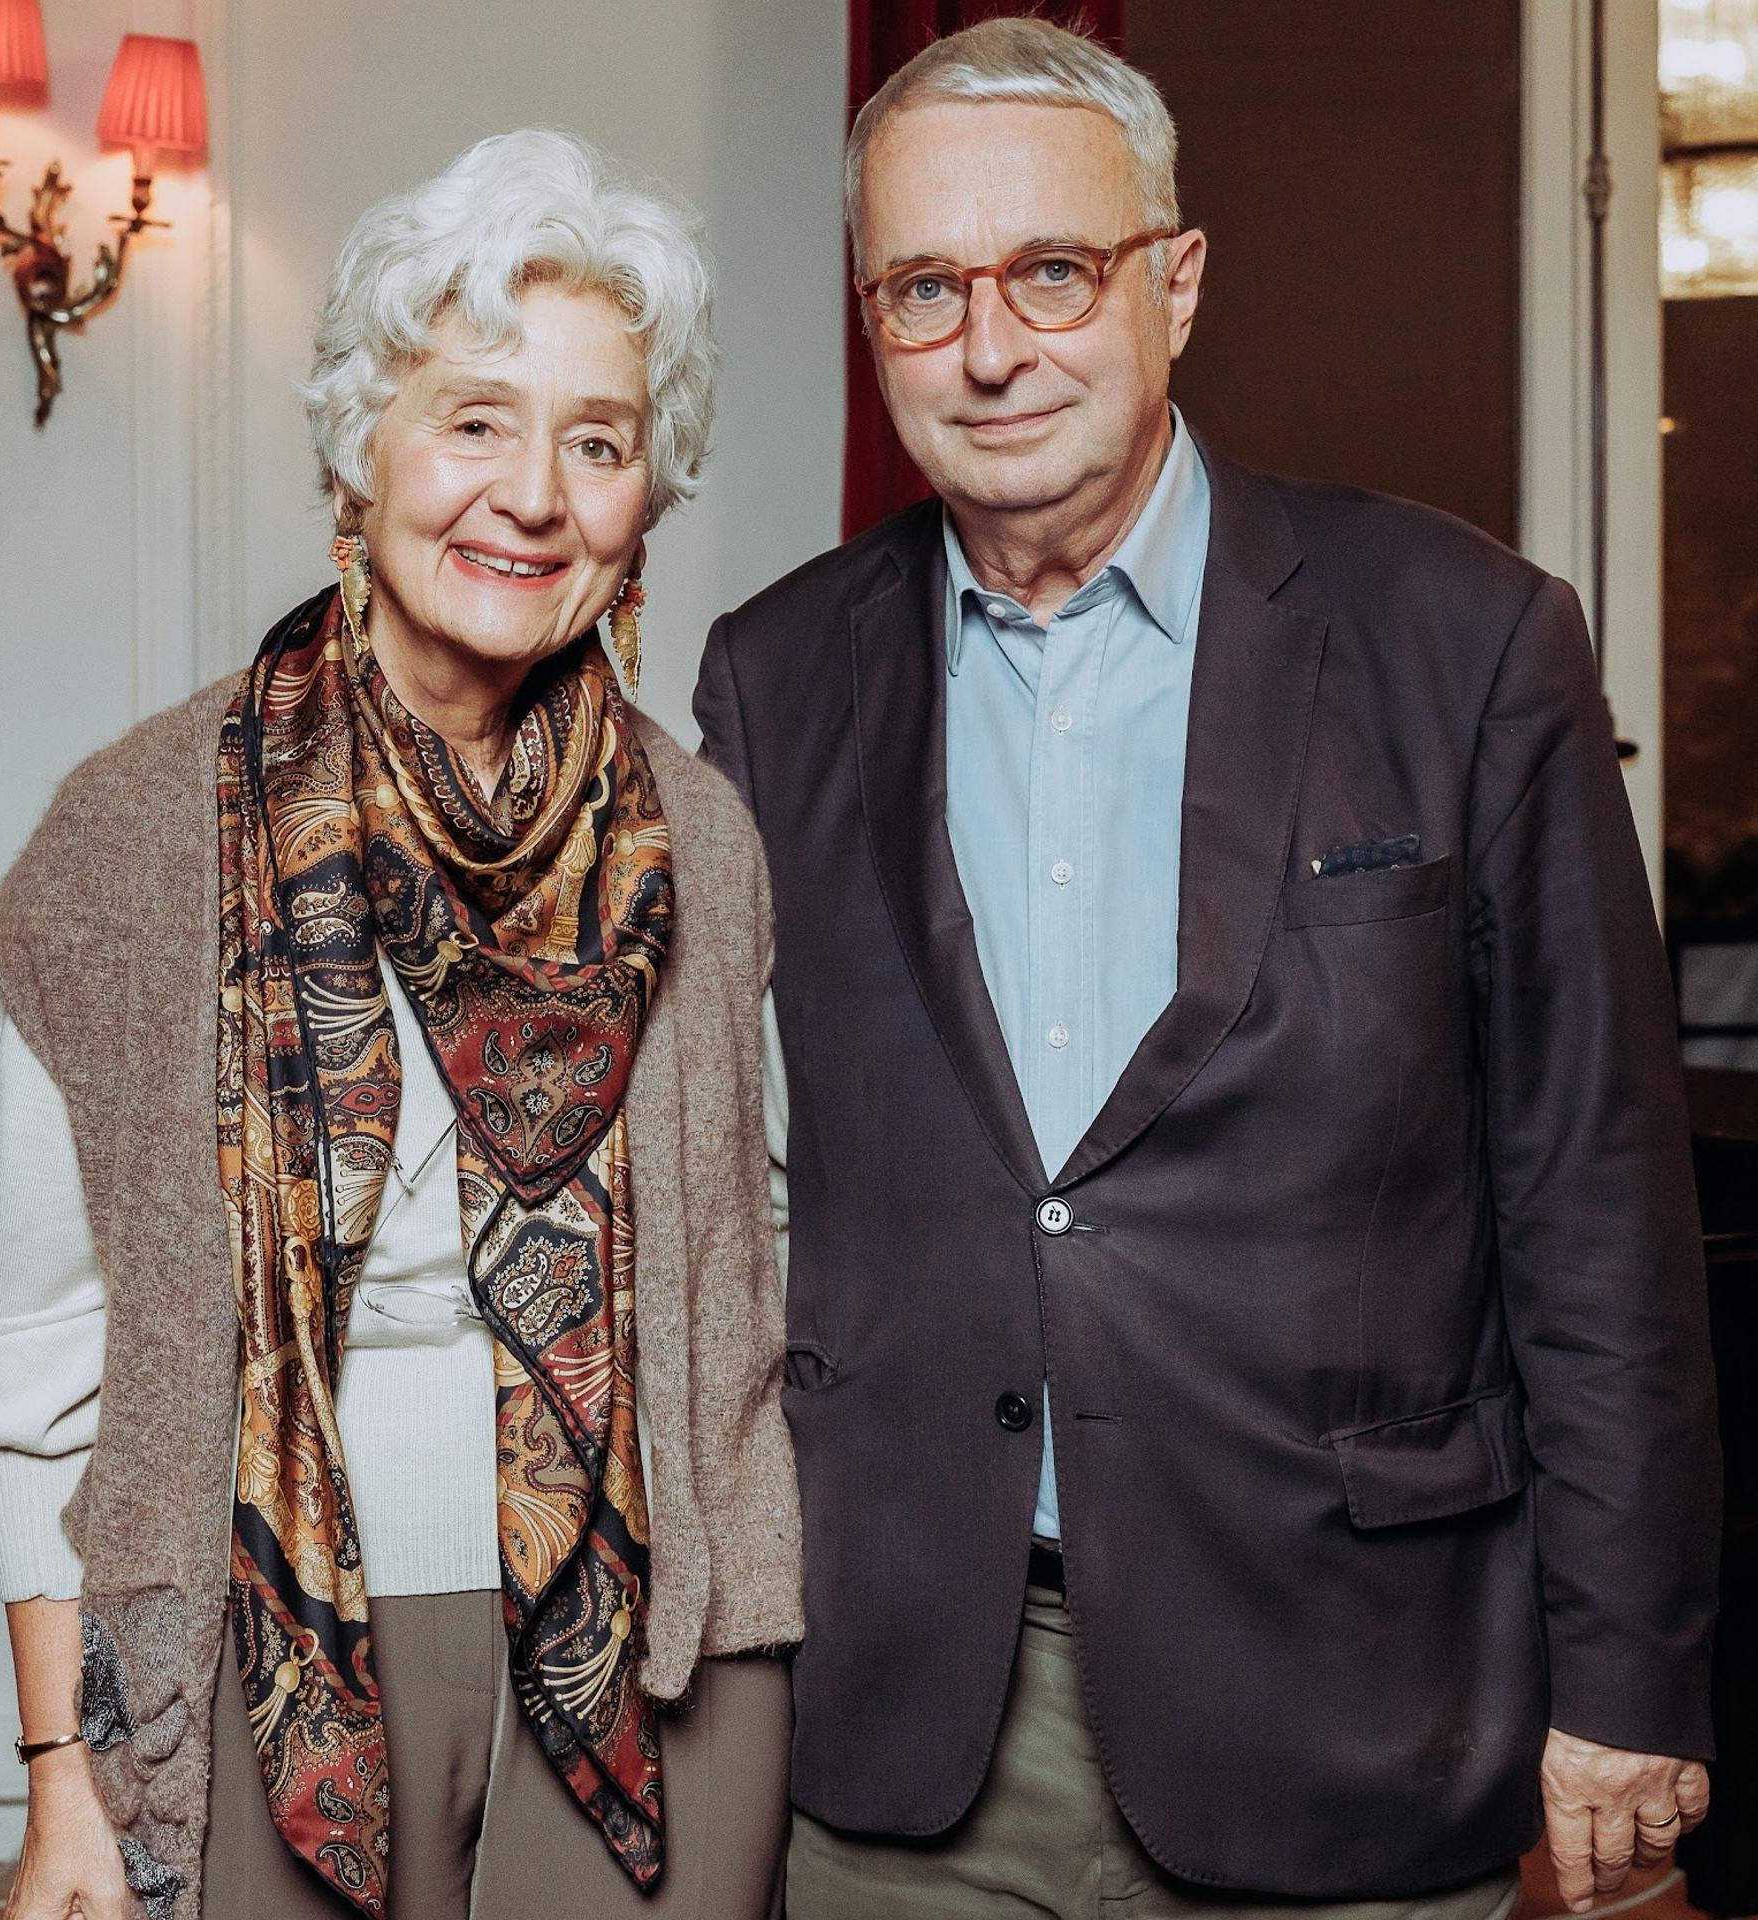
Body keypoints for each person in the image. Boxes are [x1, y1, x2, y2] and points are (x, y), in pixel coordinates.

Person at [695, 20, 1720, 1920]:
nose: (991, 348)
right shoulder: (772, 680)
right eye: (926, 289)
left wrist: (1633, 1679)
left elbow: (1597, 1207)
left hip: (1352, 1692)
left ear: (1174, 284)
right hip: (912, 1720)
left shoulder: (1467, 642)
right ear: (872, 321)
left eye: (1052, 273)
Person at [0, 128, 801, 1920]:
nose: (534, 495)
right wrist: (60, 1779)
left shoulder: (701, 841)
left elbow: (753, 1277)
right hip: (261, 1639)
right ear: (364, 447)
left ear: (646, 503)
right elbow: (37, 1379)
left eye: (600, 439)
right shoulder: (127, 842)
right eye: (475, 418)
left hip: (659, 1663)